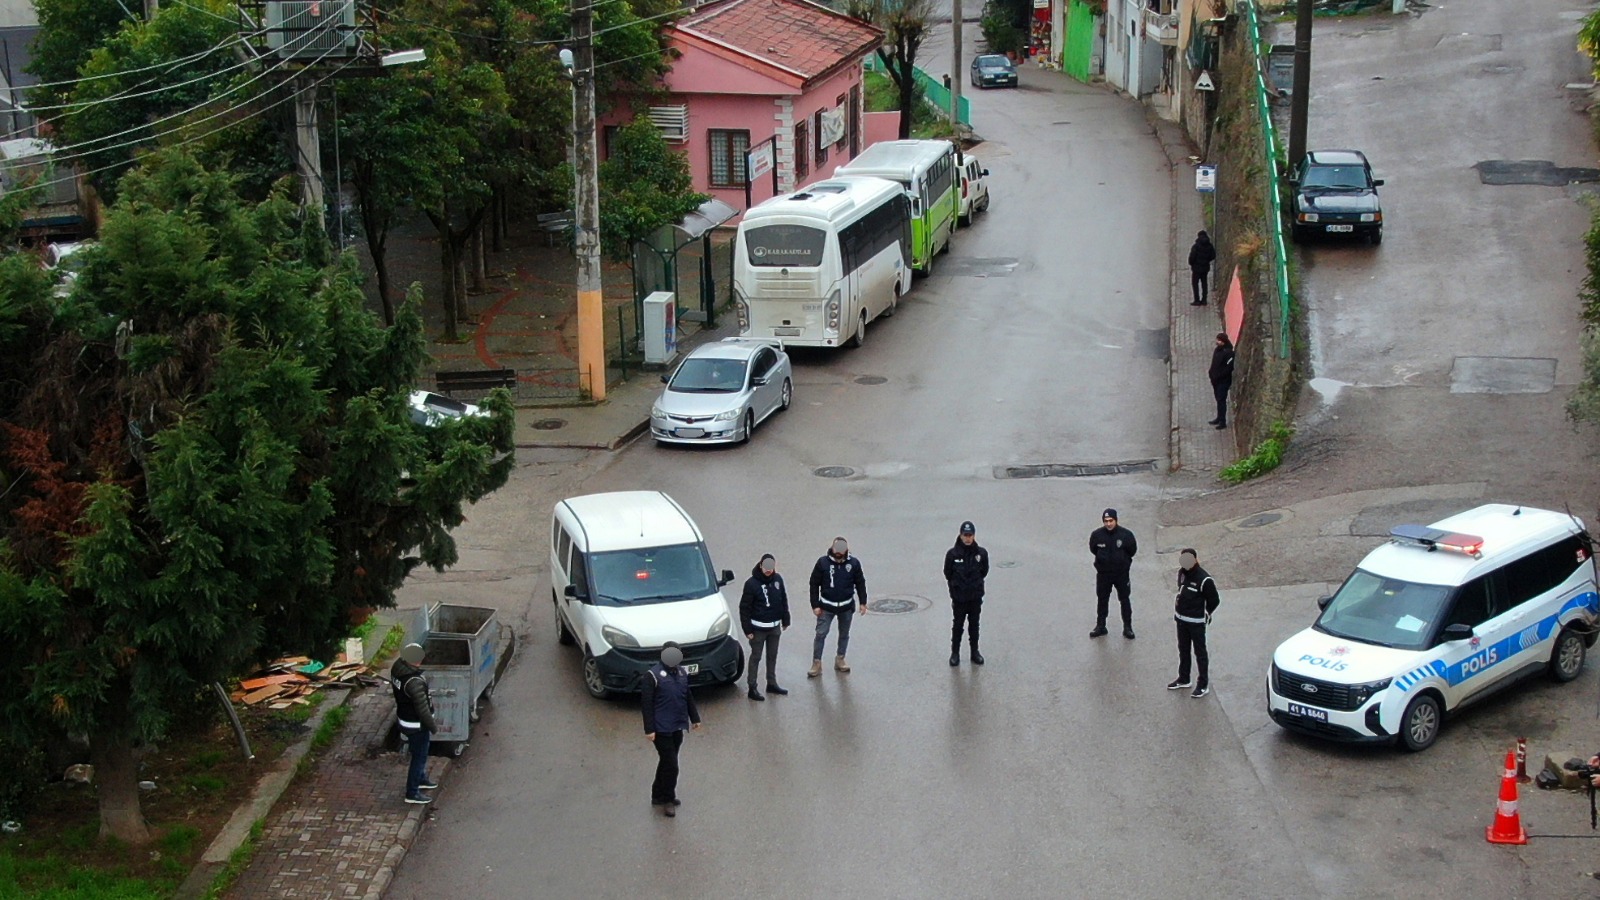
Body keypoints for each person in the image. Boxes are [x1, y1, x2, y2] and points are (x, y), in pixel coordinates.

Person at [641, 643, 701, 817]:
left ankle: (657, 794)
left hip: (677, 725)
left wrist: (695, 718)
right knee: (672, 765)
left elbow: (687, 696)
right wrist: (649, 729)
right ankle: (668, 798)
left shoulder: (681, 673)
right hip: (661, 728)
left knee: (666, 762)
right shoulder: (652, 676)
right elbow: (646, 704)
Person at [808, 536, 868, 677]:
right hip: (826, 607)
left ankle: (840, 658)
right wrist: (815, 605)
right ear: (832, 548)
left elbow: (860, 583)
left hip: (846, 607)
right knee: (821, 634)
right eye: (837, 548)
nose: (839, 552)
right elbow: (814, 584)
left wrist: (863, 602)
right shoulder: (822, 563)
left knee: (844, 634)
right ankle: (816, 663)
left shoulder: (853, 564)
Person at [390, 643, 439, 805]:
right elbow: (422, 709)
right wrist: (433, 727)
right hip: (416, 725)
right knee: (419, 757)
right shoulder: (414, 682)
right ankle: (412, 792)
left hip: (405, 718)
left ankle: (421, 778)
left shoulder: (398, 668)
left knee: (418, 754)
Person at [1169, 548, 1221, 699]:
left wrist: (1206, 614)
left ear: (1195, 560)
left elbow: (1214, 600)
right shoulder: (1182, 573)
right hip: (1181, 620)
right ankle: (1184, 679)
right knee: (1183, 650)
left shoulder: (1205, 580)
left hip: (1196, 623)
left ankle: (1203, 684)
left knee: (1200, 653)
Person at [739, 553, 791, 701]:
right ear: (761, 565)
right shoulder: (751, 584)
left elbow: (783, 599)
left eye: (771, 566)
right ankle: (752, 687)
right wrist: (747, 630)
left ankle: (771, 683)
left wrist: (785, 619)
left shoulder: (778, 580)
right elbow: (744, 608)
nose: (768, 570)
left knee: (772, 656)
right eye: (766, 566)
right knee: (756, 657)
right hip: (758, 629)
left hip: (774, 627)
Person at [944, 520, 990, 666]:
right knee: (958, 625)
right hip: (959, 598)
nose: (968, 538)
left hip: (975, 597)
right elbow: (948, 573)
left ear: (974, 536)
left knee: (974, 625)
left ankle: (974, 652)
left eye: (970, 535)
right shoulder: (952, 554)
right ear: (960, 535)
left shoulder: (981, 554)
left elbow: (984, 571)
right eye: (965, 535)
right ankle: (955, 653)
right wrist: (955, 590)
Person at [1089, 509, 1138, 639]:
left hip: (1121, 574)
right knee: (1102, 599)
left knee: (1124, 599)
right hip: (1104, 575)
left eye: (1111, 521)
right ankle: (1101, 626)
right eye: (1106, 521)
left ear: (1116, 520)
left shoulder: (1126, 535)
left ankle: (1127, 627)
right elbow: (1093, 549)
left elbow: (1132, 550)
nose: (1109, 524)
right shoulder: (1097, 535)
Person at [1209, 333, 1235, 430]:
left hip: (1223, 381)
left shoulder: (1229, 353)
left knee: (1221, 400)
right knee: (1218, 399)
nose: (1217, 342)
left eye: (1219, 340)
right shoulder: (1217, 350)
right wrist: (1211, 373)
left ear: (1223, 341)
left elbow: (1229, 368)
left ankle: (1222, 422)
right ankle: (1218, 418)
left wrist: (1219, 376)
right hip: (1215, 380)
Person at [1188, 230, 1216, 306]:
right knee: (1204, 283)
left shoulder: (1196, 246)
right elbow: (1213, 256)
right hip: (1205, 268)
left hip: (1196, 269)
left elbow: (1192, 257)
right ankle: (1204, 300)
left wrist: (1192, 264)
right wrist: (1207, 260)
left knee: (1195, 284)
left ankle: (1196, 300)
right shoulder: (1210, 246)